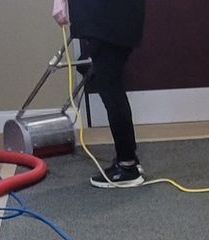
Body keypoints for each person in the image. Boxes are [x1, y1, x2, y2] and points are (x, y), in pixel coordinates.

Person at [53, 0, 147, 188]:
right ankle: (128, 159)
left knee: (110, 87)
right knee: (109, 82)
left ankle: (127, 166)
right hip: (116, 16)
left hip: (106, 17)